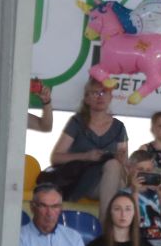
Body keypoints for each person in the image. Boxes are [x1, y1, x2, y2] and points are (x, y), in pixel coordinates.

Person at [47, 79, 128, 207]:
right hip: (85, 181)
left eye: (104, 92)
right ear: (87, 99)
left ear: (110, 97)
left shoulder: (119, 127)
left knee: (115, 167)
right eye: (95, 93)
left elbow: (124, 164)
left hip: (114, 179)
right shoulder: (77, 122)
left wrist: (121, 160)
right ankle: (106, 225)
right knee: (113, 167)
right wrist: (86, 156)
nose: (100, 97)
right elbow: (56, 157)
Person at [125, 150, 161, 246]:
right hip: (139, 242)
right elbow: (134, 224)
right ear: (129, 170)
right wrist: (135, 194)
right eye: (140, 170)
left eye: (148, 170)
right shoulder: (125, 195)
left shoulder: (155, 194)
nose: (145, 174)